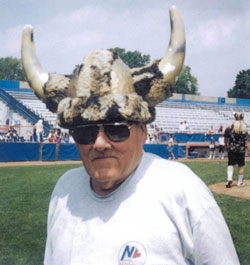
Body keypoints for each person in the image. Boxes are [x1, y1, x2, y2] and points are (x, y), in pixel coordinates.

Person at [22, 6, 240, 265]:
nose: (100, 143)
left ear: (143, 131)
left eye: (116, 129)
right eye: (85, 132)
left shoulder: (182, 190)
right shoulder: (63, 193)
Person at [224, 112, 250, 188]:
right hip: (241, 150)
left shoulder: (230, 126)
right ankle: (239, 182)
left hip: (231, 149)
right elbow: (247, 141)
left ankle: (229, 178)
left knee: (231, 164)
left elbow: (225, 137)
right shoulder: (244, 128)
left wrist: (226, 146)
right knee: (241, 166)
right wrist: (249, 150)